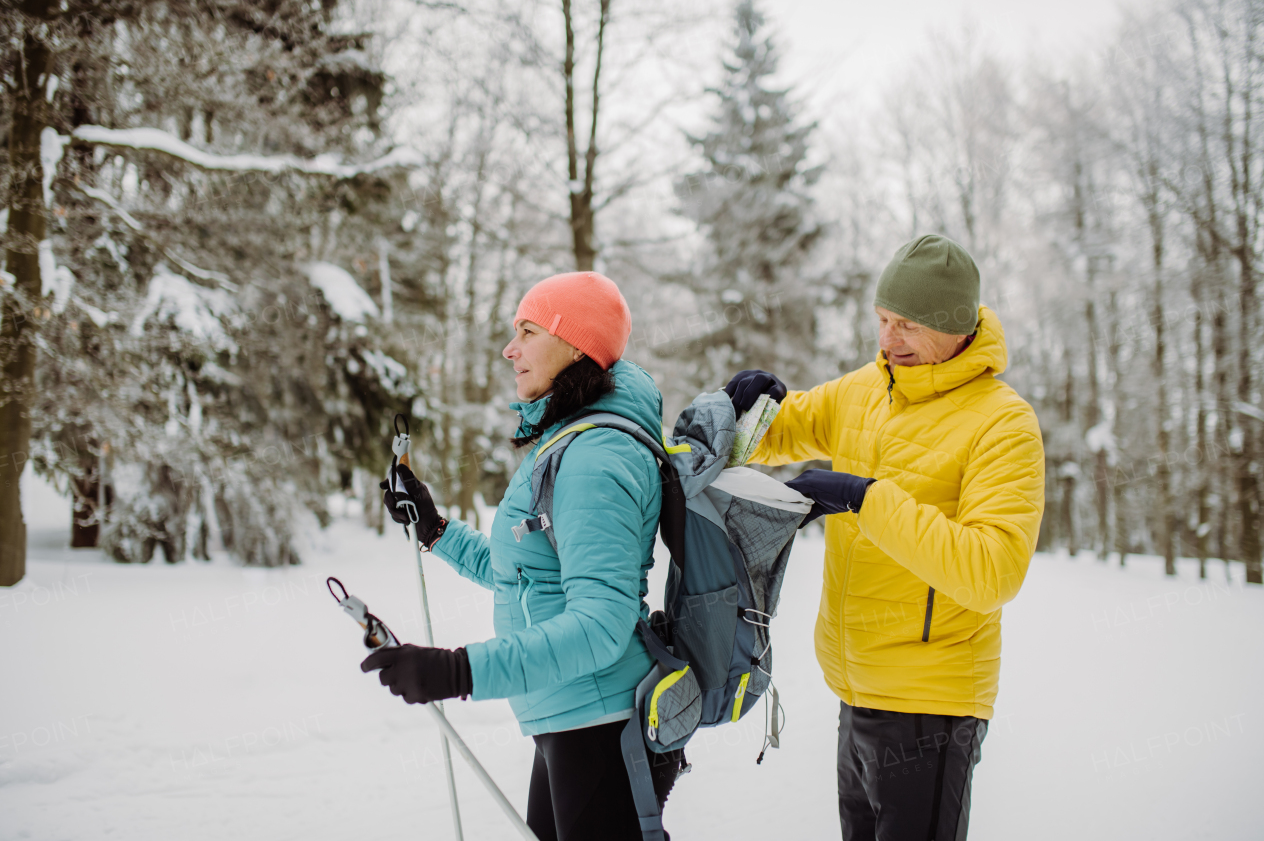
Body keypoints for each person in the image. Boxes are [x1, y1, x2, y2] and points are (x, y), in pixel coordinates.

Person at [726, 234, 1045, 841]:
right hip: (856, 690)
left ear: (956, 329)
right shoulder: (865, 391)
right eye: (881, 319)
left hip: (933, 705)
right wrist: (746, 405)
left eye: (908, 325)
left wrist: (865, 497)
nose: (888, 340)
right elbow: (775, 434)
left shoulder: (1003, 423)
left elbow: (992, 572)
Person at [364, 271, 684, 841]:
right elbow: (527, 575)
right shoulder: (570, 440)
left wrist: (457, 669)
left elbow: (601, 625)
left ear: (576, 345)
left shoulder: (596, 456)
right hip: (573, 714)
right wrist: (436, 530)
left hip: (600, 720)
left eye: (529, 331)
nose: (510, 349)